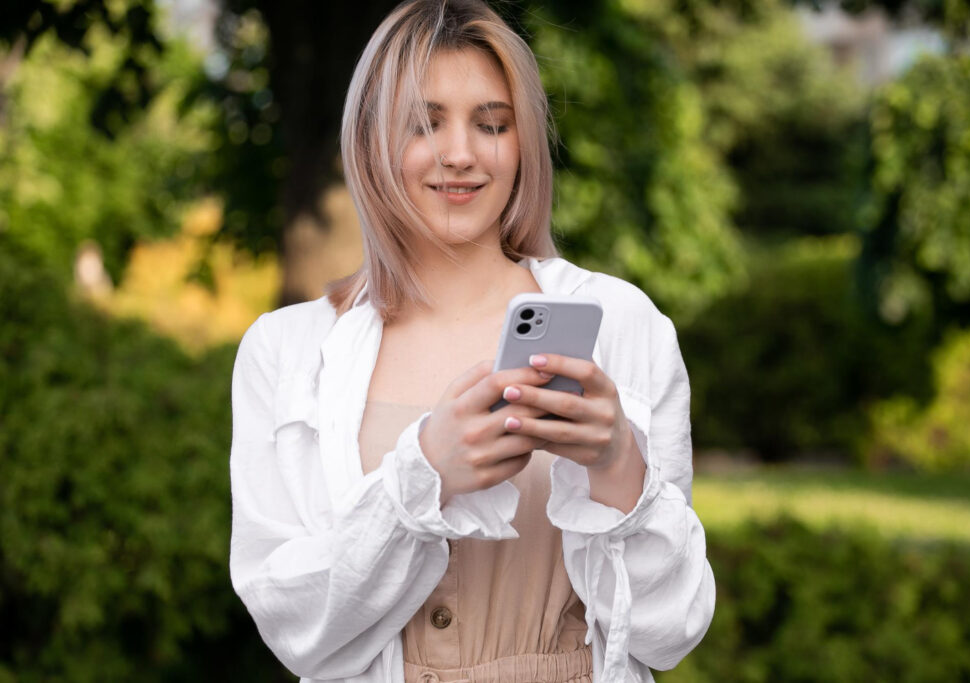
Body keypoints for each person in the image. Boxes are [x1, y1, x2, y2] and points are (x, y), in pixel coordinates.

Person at [228, 1, 715, 681]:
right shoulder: (286, 351)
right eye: (424, 124)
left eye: (492, 124)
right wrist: (423, 476)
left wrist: (616, 465)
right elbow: (294, 627)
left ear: (523, 146)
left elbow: (673, 629)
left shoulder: (622, 325)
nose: (460, 154)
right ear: (371, 140)